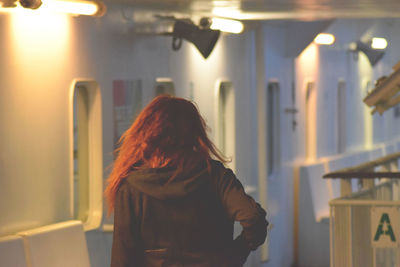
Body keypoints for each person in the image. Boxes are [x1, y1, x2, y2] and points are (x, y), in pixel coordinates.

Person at [105, 95, 268, 267]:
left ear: (146, 134)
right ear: (194, 132)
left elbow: (122, 258)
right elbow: (254, 219)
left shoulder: (131, 187)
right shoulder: (216, 176)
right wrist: (233, 256)